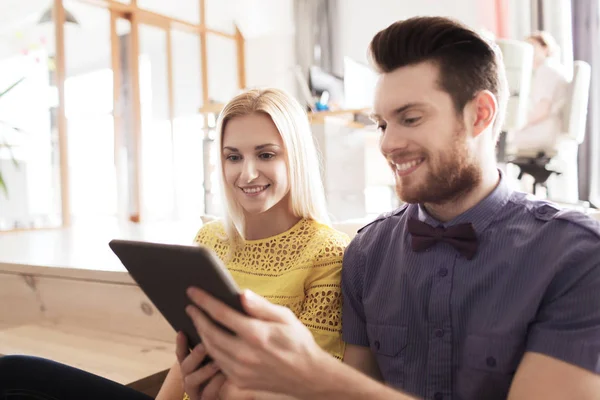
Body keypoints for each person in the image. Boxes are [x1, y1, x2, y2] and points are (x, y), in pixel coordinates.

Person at [181, 16, 600, 400]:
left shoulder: (576, 256)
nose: (387, 143)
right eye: (383, 123)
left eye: (410, 119)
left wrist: (313, 373)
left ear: (480, 114)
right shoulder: (368, 252)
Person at [0, 88, 350, 400]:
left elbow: (313, 388)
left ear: (296, 157)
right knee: (14, 373)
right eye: (233, 157)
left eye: (266, 154)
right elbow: (187, 359)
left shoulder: (326, 253)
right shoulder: (210, 240)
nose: (247, 174)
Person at [509, 31, 569, 151]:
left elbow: (542, 109)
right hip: (551, 131)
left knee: (500, 140)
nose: (528, 52)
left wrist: (518, 125)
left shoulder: (546, 70)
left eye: (532, 46)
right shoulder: (554, 69)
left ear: (545, 48)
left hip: (542, 132)